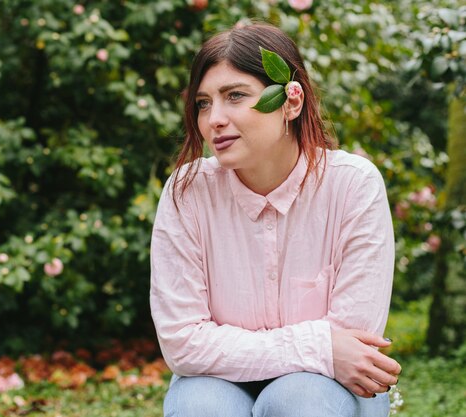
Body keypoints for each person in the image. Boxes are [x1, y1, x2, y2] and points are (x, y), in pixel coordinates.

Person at [149, 21, 401, 417]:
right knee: (201, 407)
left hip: (327, 389)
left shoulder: (353, 186)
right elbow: (183, 341)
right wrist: (320, 346)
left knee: (299, 402)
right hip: (214, 381)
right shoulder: (187, 193)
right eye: (203, 102)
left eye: (235, 96)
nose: (214, 118)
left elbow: (354, 341)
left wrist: (328, 351)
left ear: (291, 102)